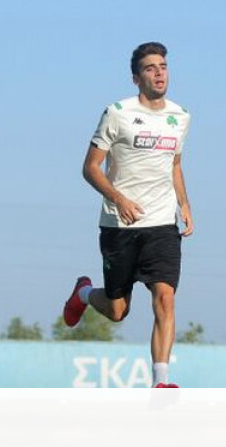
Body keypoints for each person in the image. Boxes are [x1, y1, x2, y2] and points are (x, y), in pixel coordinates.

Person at [62, 42, 193, 389]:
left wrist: (184, 204)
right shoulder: (117, 112)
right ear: (136, 78)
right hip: (120, 225)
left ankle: (161, 382)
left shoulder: (180, 116)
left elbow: (174, 165)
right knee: (118, 310)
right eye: (150, 68)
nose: (159, 73)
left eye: (163, 66)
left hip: (162, 223)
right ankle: (85, 293)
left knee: (165, 297)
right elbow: (91, 168)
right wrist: (118, 198)